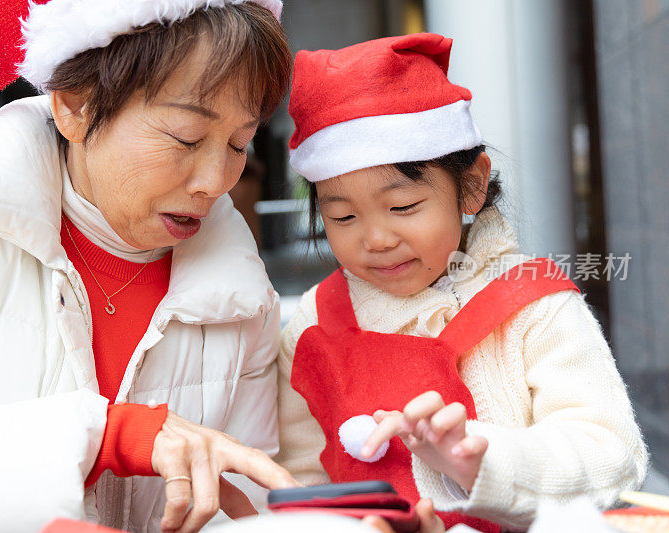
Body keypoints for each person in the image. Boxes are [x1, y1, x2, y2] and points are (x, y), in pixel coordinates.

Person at [0, 0, 297, 531]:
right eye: (186, 137)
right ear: (76, 106)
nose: (215, 179)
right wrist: (108, 436)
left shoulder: (241, 298)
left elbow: (240, 508)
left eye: (239, 143)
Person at [274, 33, 648, 532]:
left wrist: (480, 463)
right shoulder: (312, 325)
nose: (376, 238)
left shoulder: (534, 303)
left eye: (403, 207)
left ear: (471, 186)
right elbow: (298, 478)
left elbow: (612, 451)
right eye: (343, 217)